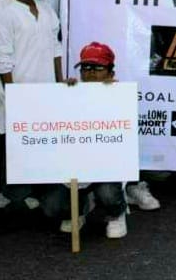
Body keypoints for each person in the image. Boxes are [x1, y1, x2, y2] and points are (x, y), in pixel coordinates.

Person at [41, 42, 128, 238]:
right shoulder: (69, 92)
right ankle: (79, 208)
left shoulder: (120, 96)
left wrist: (113, 96)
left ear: (110, 72)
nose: (90, 73)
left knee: (108, 194)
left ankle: (117, 213)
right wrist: (61, 94)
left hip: (104, 169)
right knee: (51, 207)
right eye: (86, 67)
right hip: (70, 171)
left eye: (98, 68)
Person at [0, 0, 62, 211]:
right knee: (15, 145)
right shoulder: (7, 14)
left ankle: (38, 191)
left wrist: (60, 83)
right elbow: (3, 58)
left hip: (46, 91)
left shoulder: (47, 11)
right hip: (20, 91)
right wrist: (12, 95)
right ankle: (13, 195)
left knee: (42, 142)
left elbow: (56, 49)